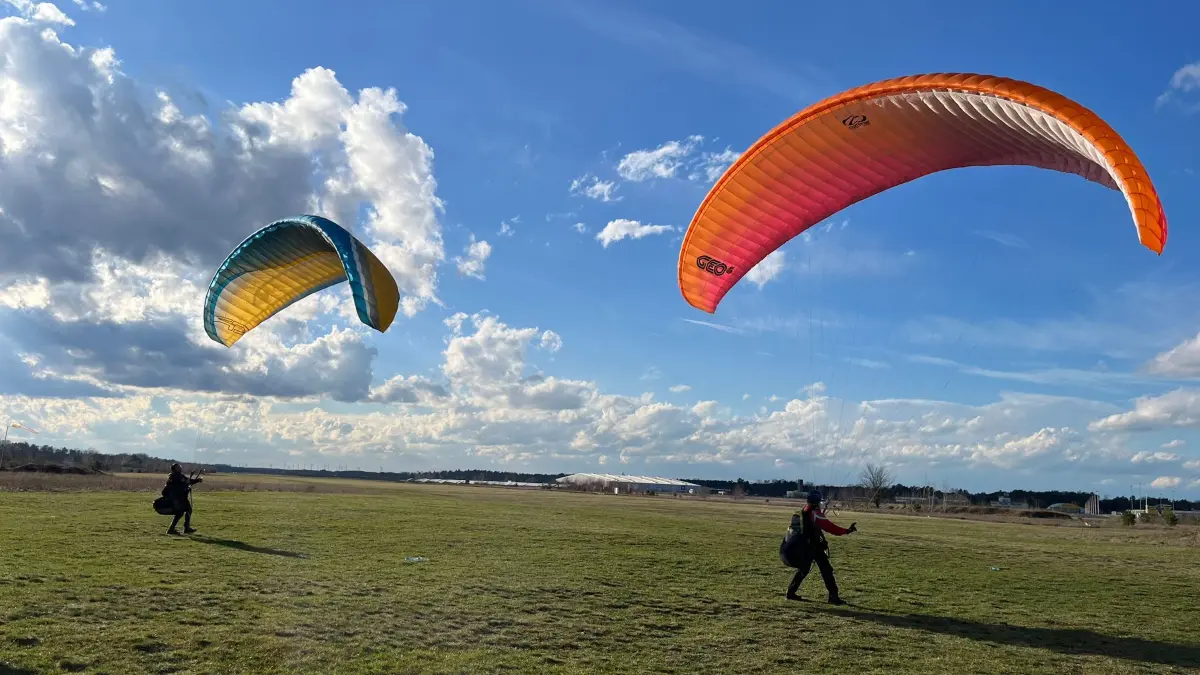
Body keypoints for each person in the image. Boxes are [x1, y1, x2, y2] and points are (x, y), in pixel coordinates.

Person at [779, 490, 856, 604]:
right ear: (816, 502)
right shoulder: (815, 513)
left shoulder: (803, 510)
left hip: (804, 546)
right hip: (811, 547)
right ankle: (833, 598)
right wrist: (847, 531)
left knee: (804, 569)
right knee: (826, 570)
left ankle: (790, 593)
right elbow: (831, 527)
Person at [162, 463, 203, 535]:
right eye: (178, 467)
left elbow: (186, 482)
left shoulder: (173, 476)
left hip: (177, 498)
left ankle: (172, 529)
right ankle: (185, 528)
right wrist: (197, 480)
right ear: (175, 469)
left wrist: (189, 486)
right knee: (187, 510)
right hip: (179, 498)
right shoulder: (177, 476)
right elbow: (187, 481)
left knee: (180, 513)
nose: (180, 468)